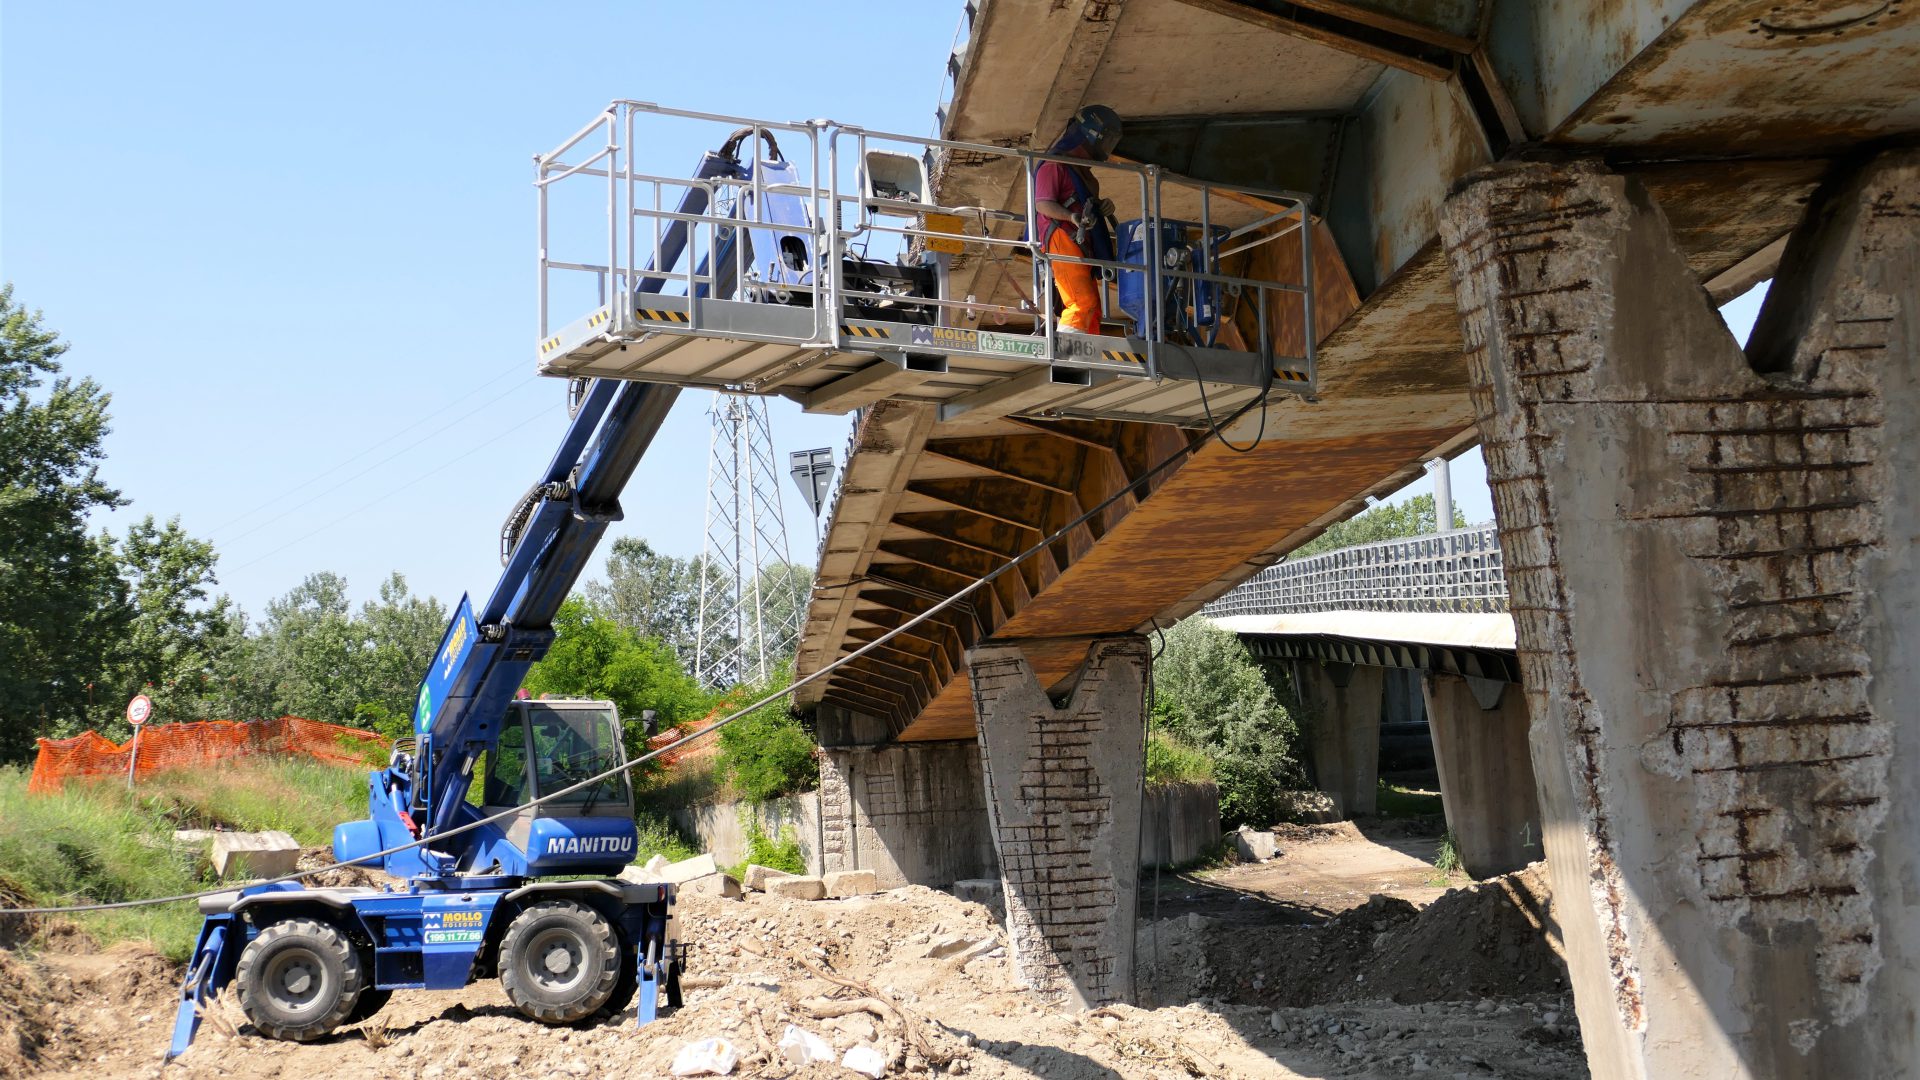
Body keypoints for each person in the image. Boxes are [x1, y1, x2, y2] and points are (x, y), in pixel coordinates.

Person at [1033, 105, 1122, 335]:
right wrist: (1070, 217)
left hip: (1082, 243)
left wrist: (1103, 208)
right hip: (1063, 238)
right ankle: (1068, 355)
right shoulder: (1054, 165)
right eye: (1104, 140)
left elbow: (1089, 206)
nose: (1105, 147)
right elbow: (1042, 204)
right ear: (1088, 136)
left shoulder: (1087, 176)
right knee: (1081, 302)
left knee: (1093, 307)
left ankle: (1087, 352)